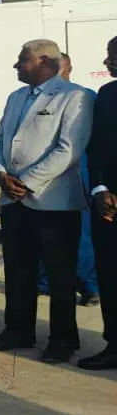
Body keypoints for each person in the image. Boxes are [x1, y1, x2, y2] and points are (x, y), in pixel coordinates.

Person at [0, 39, 94, 364]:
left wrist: (27, 182)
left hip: (53, 204)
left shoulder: (75, 97)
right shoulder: (15, 97)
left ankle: (63, 339)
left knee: (60, 277)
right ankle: (17, 330)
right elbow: (1, 138)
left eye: (22, 60)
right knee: (18, 271)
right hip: (13, 200)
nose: (17, 66)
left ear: (45, 62)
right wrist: (1, 174)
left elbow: (69, 148)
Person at [38, 52, 99, 305]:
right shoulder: (37, 98)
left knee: (82, 232)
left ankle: (89, 285)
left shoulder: (83, 96)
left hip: (78, 171)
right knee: (46, 231)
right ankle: (46, 281)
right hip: (46, 177)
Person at [79, 35, 117, 370]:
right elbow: (99, 146)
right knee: (110, 274)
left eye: (113, 56)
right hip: (109, 204)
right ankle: (114, 344)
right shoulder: (107, 94)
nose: (107, 62)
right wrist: (100, 188)